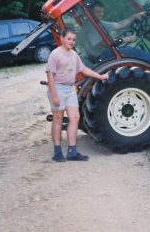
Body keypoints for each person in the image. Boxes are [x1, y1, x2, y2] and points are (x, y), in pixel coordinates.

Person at [46, 28, 108, 162]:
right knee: (58, 119)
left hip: (70, 89)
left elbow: (84, 69)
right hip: (57, 88)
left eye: (73, 40)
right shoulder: (55, 54)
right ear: (62, 39)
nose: (71, 42)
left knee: (75, 117)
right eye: (69, 39)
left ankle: (72, 152)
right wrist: (54, 96)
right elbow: (50, 75)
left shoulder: (74, 55)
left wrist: (100, 76)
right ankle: (57, 153)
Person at [89, 1, 150, 75]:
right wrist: (127, 39)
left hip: (104, 53)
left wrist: (135, 16)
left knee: (131, 49)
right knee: (132, 52)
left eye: (102, 11)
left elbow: (119, 25)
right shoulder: (90, 26)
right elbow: (103, 43)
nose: (100, 14)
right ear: (91, 12)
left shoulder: (97, 23)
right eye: (97, 11)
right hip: (103, 56)